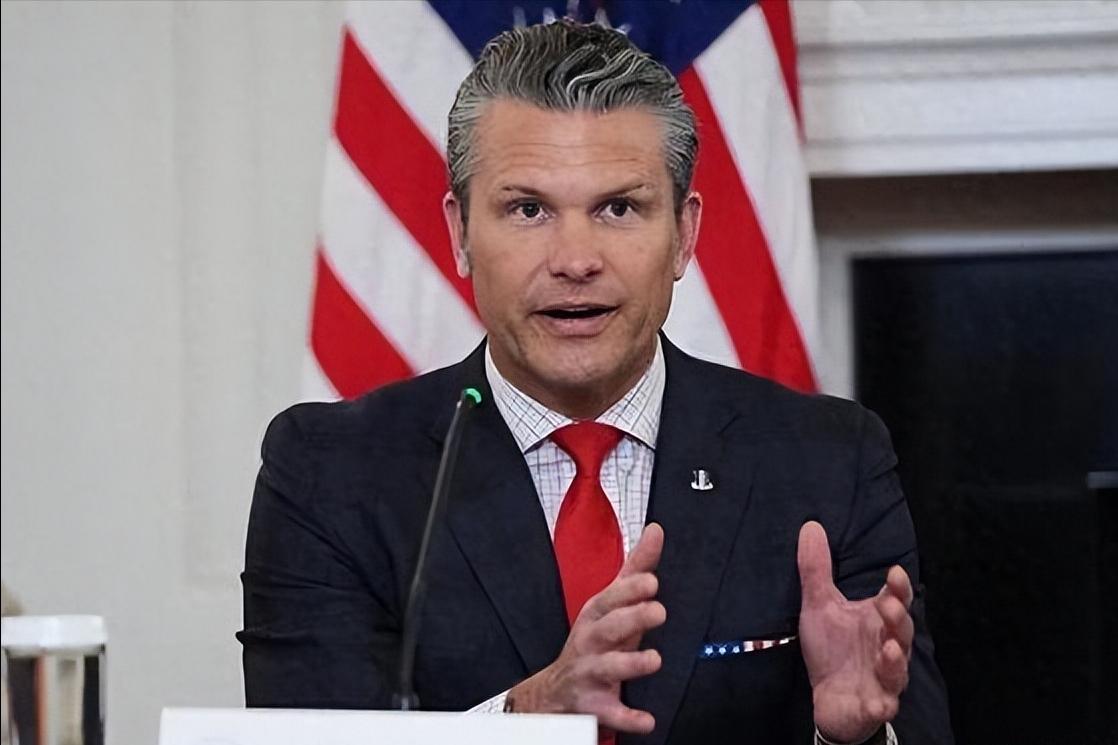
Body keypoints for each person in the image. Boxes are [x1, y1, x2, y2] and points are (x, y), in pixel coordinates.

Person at [239, 20, 952, 745]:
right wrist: (529, 716)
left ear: (684, 235)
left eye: (619, 208)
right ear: (460, 234)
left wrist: (852, 738)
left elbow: (909, 724)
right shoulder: (332, 472)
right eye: (528, 209)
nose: (576, 259)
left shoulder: (828, 461)